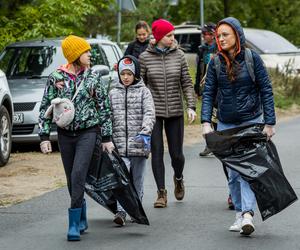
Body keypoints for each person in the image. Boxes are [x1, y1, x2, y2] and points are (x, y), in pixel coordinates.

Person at [201, 17, 276, 236]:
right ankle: (239, 214)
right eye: (219, 35)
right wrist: (206, 122)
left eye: (225, 34)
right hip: (225, 123)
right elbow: (208, 94)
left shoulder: (253, 58)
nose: (221, 38)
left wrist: (269, 122)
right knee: (233, 173)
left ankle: (247, 214)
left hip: (251, 121)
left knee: (247, 170)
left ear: (237, 35)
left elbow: (266, 90)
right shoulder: (215, 62)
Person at [39, 35, 114, 241]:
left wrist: (106, 136)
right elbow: (46, 106)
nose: (90, 54)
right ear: (75, 54)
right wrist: (44, 136)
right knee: (71, 178)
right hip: (65, 134)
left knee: (79, 173)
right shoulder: (56, 77)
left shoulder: (93, 77)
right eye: (86, 51)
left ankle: (72, 225)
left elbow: (104, 108)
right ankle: (81, 215)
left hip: (88, 133)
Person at [139, 19, 196, 208]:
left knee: (177, 154)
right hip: (153, 113)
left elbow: (186, 82)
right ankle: (161, 193)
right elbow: (140, 85)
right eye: (169, 35)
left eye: (173, 35)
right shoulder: (145, 57)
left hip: (175, 112)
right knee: (156, 152)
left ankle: (178, 177)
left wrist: (191, 106)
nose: (173, 38)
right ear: (159, 37)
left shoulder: (179, 55)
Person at [109, 55, 155, 226]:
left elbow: (149, 113)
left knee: (137, 179)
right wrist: (107, 138)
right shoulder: (113, 93)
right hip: (120, 146)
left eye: (129, 73)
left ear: (135, 74)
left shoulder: (144, 92)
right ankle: (121, 211)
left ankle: (136, 209)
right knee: (122, 178)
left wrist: (145, 130)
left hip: (139, 145)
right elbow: (108, 116)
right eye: (123, 74)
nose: (126, 77)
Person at [194, 22, 218, 157]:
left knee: (217, 116)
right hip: (206, 86)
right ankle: (210, 145)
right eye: (203, 34)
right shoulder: (202, 49)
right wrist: (197, 88)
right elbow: (199, 69)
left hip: (219, 87)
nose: (204, 36)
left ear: (213, 34)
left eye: (206, 34)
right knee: (207, 115)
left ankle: (219, 143)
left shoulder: (219, 48)